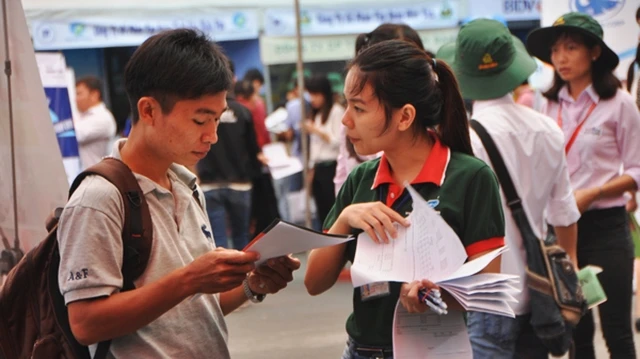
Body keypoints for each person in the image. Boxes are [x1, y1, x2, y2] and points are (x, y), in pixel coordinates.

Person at [57, 29, 300, 358]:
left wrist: (252, 284)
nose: (212, 136)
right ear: (148, 111)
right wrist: (189, 279)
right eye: (200, 120)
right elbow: (86, 323)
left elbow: (196, 310)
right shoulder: (99, 198)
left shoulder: (186, 183)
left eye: (217, 119)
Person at [304, 40, 506, 359]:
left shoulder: (471, 178)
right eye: (346, 105)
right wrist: (344, 220)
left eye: (358, 108)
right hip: (362, 350)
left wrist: (437, 295)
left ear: (405, 116)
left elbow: (486, 292)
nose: (345, 120)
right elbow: (313, 282)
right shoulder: (361, 179)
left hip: (436, 350)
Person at [438, 19, 580, 358]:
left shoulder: (461, 140)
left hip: (485, 295)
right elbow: (564, 215)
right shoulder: (548, 129)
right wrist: (568, 275)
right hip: (539, 292)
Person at [527, 12, 640, 358]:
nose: (560, 58)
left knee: (618, 330)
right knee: (576, 329)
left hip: (606, 228)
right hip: (559, 230)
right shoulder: (543, 103)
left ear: (594, 52)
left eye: (571, 48)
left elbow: (636, 170)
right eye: (556, 50)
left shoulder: (620, 103)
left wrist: (596, 192)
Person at [196, 62, 265, 250]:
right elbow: (253, 150)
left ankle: (226, 280)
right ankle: (243, 279)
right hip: (240, 183)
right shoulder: (243, 112)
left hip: (210, 183)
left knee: (218, 242)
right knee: (242, 238)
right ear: (233, 80)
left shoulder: (201, 113)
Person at [304, 74, 345, 225]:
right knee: (321, 212)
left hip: (332, 167)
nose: (312, 98)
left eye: (315, 94)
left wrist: (317, 131)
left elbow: (338, 141)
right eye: (310, 94)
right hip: (318, 168)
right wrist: (310, 169)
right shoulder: (316, 114)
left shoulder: (336, 111)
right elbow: (314, 148)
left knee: (332, 209)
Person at [74, 76, 117, 169]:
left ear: (94, 95)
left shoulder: (102, 117)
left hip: (95, 177)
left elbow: (73, 135)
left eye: (79, 94)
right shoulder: (82, 116)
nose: (76, 99)